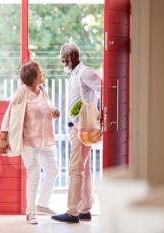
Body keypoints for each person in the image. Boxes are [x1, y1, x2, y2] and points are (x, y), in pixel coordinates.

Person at [0, 61, 60, 224]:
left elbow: (46, 106)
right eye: (40, 72)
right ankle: (30, 213)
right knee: (34, 174)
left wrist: (53, 109)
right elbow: (8, 113)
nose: (42, 73)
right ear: (32, 77)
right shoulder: (22, 92)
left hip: (43, 140)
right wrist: (3, 137)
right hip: (28, 141)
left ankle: (42, 204)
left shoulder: (42, 90)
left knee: (53, 170)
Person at [51, 43, 101, 223]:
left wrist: (101, 112)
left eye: (63, 59)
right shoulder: (75, 73)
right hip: (76, 128)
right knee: (84, 169)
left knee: (75, 169)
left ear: (72, 56)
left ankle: (72, 212)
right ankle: (85, 209)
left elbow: (104, 87)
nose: (62, 62)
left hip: (82, 128)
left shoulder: (85, 72)